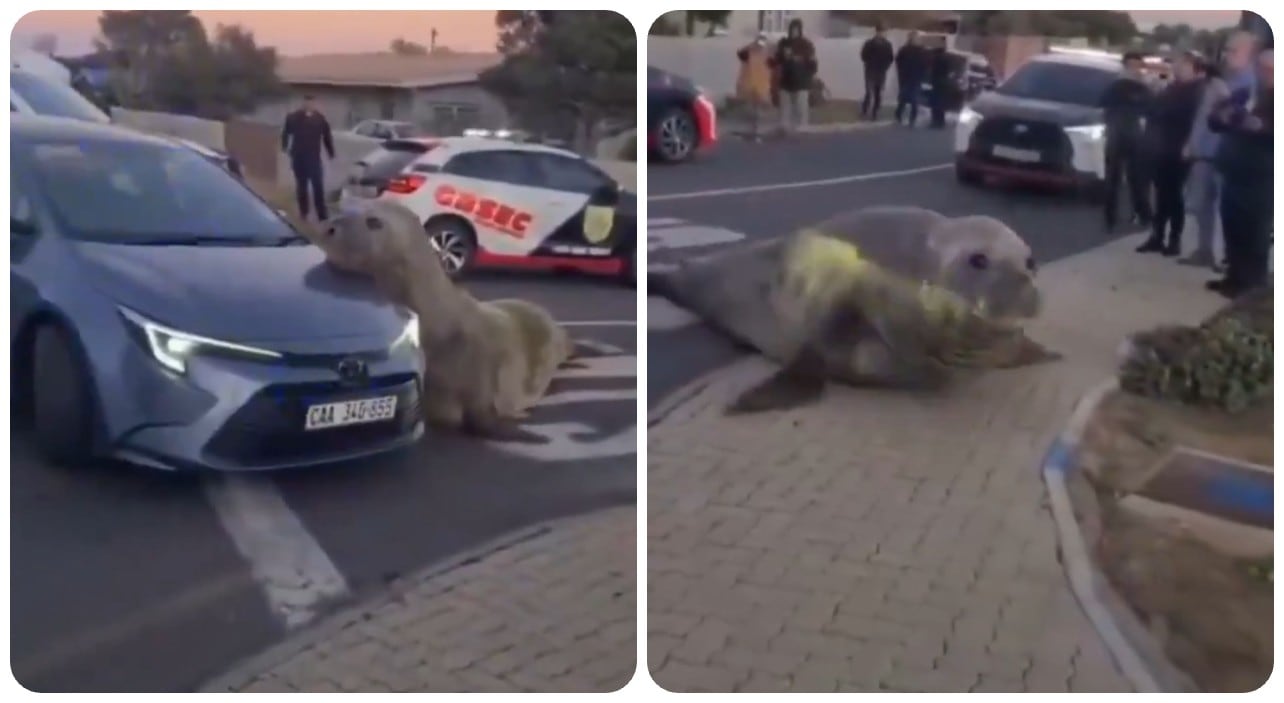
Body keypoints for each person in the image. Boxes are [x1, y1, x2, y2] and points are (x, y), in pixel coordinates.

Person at [1181, 31, 1261, 269]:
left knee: (1223, 208)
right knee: (1201, 205)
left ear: (1250, 53)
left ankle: (1223, 256)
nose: (1228, 55)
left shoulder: (1254, 84)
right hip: (1205, 152)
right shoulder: (1220, 79)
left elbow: (1244, 120)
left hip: (1228, 154)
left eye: (1234, 50)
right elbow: (1203, 115)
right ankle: (1204, 251)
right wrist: (1191, 143)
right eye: (1226, 50)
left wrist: (1226, 99)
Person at [1207, 46, 1272, 298]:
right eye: (1263, 68)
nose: (1266, 74)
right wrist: (1224, 116)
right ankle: (1234, 278)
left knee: (1255, 231)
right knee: (1233, 227)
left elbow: (1264, 130)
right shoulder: (1246, 93)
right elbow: (1215, 119)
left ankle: (1253, 285)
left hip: (1262, 175)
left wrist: (1254, 125)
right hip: (1234, 170)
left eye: (1271, 70)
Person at [1136, 51, 1205, 256]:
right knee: (1162, 193)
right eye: (1177, 64)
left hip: (1181, 147)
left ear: (1193, 68)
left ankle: (1174, 239)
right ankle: (1157, 236)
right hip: (1162, 145)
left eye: (1183, 65)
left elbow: (1194, 120)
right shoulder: (1170, 88)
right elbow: (1154, 110)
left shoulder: (1196, 91)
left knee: (1174, 194)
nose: (1178, 69)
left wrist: (1190, 144)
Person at [1100, 52, 1156, 231]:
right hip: (1117, 136)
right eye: (1130, 65)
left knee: (1138, 180)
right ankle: (1110, 218)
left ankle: (1143, 214)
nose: (1134, 69)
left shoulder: (1144, 89)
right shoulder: (1115, 87)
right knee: (1112, 179)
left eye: (1137, 66)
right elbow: (1103, 105)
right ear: (1124, 67)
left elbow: (1152, 110)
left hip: (1136, 137)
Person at [280, 95, 336, 221]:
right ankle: (304, 212)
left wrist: (331, 153)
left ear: (315, 104)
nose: (309, 105)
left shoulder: (320, 120)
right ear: (303, 103)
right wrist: (284, 147)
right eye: (306, 102)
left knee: (318, 187)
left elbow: (327, 137)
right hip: (298, 157)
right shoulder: (293, 118)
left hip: (314, 158)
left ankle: (322, 215)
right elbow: (285, 133)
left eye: (312, 103)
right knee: (301, 186)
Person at [773, 19, 818, 135]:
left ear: (800, 31)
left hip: (801, 81)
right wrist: (783, 57)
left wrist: (800, 61)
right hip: (786, 80)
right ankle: (784, 127)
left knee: (801, 107)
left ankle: (802, 128)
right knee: (785, 107)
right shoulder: (783, 43)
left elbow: (813, 64)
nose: (794, 32)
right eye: (792, 29)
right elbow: (777, 60)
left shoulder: (806, 45)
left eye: (796, 30)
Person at [736, 33, 774, 142]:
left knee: (758, 111)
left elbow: (773, 63)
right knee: (751, 111)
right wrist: (751, 46)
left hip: (761, 86)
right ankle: (752, 132)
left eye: (762, 41)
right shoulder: (749, 51)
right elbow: (740, 54)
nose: (760, 44)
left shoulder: (767, 53)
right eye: (759, 40)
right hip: (750, 84)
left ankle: (757, 132)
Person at [893, 31, 929, 127]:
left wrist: (923, 75)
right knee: (905, 98)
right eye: (914, 38)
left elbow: (926, 65)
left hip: (914, 77)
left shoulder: (921, 51)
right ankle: (900, 115)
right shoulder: (906, 50)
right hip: (908, 76)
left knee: (912, 99)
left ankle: (910, 118)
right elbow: (898, 61)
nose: (915, 40)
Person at [860, 25, 894, 121]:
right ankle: (865, 110)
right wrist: (869, 62)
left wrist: (885, 67)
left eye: (883, 32)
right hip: (870, 70)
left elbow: (890, 58)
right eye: (881, 32)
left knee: (878, 92)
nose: (882, 34)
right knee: (869, 92)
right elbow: (863, 55)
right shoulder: (869, 43)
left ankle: (875, 112)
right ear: (877, 32)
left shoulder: (887, 45)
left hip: (881, 71)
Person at [927, 45, 951, 129]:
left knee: (935, 102)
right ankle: (941, 121)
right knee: (941, 102)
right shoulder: (946, 59)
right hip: (944, 82)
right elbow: (948, 70)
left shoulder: (935, 59)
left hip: (936, 82)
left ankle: (935, 120)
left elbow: (932, 70)